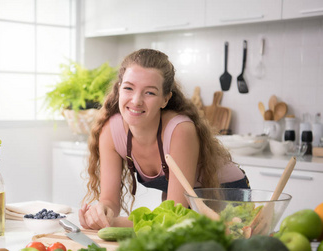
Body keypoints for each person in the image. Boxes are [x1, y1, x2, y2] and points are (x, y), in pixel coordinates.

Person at [79, 49, 249, 230]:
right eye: (128, 88)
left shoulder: (180, 130)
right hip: (182, 207)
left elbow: (175, 214)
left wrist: (114, 223)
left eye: (150, 93)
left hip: (226, 199)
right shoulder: (111, 132)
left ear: (165, 99)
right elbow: (109, 200)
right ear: (119, 88)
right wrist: (101, 213)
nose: (136, 100)